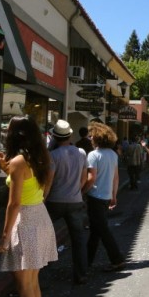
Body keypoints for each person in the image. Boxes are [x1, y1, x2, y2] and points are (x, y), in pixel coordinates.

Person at [0, 116, 58, 297]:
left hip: (26, 222)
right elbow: (35, 189)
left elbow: (14, 203)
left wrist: (3, 237)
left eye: (8, 129)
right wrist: (6, 169)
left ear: (17, 135)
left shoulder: (19, 162)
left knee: (23, 287)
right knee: (32, 284)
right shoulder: (39, 158)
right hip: (40, 217)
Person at [43, 120, 89, 285]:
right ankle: (81, 274)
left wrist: (43, 199)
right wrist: (77, 191)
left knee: (43, 236)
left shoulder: (52, 155)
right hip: (75, 201)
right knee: (78, 240)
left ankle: (41, 274)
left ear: (55, 136)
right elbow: (84, 178)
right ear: (70, 135)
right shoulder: (81, 153)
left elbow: (48, 181)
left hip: (55, 201)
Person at [84, 123, 126, 272]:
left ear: (96, 137)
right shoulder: (112, 154)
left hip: (95, 196)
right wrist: (114, 195)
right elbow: (116, 177)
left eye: (91, 136)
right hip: (106, 195)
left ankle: (117, 259)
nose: (90, 138)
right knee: (96, 231)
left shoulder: (93, 155)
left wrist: (81, 192)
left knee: (102, 230)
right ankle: (86, 262)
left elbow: (91, 178)